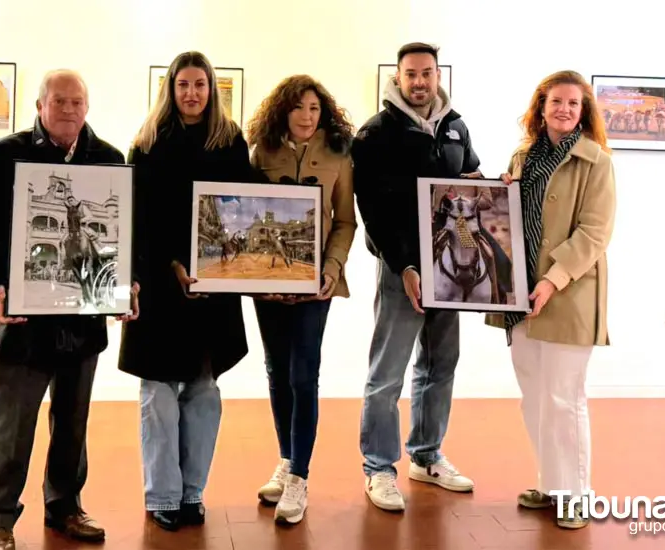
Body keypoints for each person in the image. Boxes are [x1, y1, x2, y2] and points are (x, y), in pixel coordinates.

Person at [0, 69, 135, 550]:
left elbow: (121, 238)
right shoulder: (3, 156)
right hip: (20, 319)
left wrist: (125, 284)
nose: (70, 110)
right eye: (59, 102)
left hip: (83, 319)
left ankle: (65, 507)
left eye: (78, 101)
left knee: (72, 422)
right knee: (12, 424)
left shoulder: (109, 160)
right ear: (40, 106)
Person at [118, 50, 258, 531]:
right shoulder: (147, 141)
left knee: (203, 391)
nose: (192, 94)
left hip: (214, 288)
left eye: (200, 85)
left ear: (211, 88)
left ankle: (193, 493)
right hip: (159, 285)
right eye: (183, 85)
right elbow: (137, 217)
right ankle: (162, 495)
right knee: (157, 393)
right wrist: (172, 263)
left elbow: (247, 207)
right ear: (170, 89)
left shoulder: (231, 140)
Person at [351, 41, 479, 511]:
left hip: (451, 271)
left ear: (438, 75)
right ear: (398, 77)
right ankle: (379, 468)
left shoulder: (455, 127)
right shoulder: (375, 134)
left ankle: (425, 457)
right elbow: (374, 211)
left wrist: (495, 188)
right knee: (387, 375)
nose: (420, 82)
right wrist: (404, 265)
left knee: (440, 366)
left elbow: (471, 179)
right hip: (400, 271)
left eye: (427, 73)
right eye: (412, 74)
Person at [489, 70, 616, 530]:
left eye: (573, 104)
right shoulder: (522, 157)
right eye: (556, 101)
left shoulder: (596, 161)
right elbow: (509, 219)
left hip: (568, 294)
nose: (564, 109)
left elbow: (595, 233)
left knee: (564, 398)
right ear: (540, 107)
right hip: (518, 293)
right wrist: (499, 193)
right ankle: (551, 484)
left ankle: (577, 497)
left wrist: (553, 279)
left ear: (584, 113)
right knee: (535, 397)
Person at [243, 74, 357, 524]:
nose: (307, 117)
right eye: (298, 109)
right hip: (267, 285)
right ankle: (287, 459)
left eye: (313, 108)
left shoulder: (339, 154)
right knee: (276, 370)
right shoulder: (262, 152)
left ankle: (300, 479)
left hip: (316, 286)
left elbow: (346, 221)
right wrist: (253, 277)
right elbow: (246, 209)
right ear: (282, 112)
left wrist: (332, 269)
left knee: (303, 373)